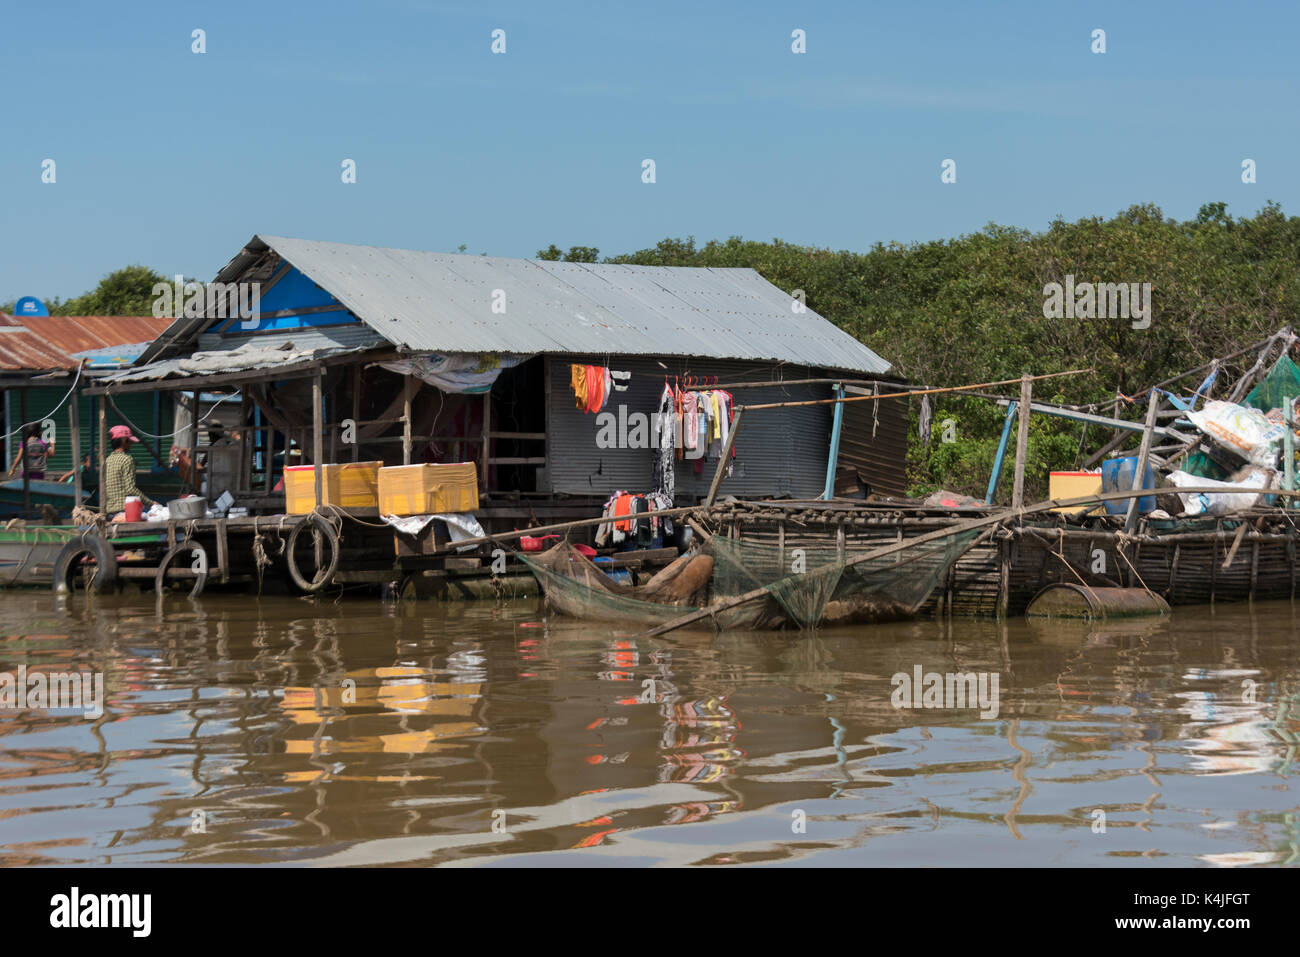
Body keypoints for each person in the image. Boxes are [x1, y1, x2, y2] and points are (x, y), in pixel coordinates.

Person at [103, 425, 154, 519]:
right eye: (129, 441)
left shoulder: (107, 460)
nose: (131, 443)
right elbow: (130, 489)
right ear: (123, 441)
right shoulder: (127, 459)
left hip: (109, 512)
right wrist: (151, 503)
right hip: (125, 510)